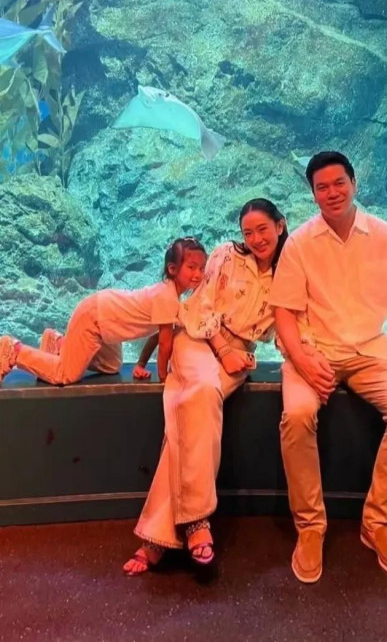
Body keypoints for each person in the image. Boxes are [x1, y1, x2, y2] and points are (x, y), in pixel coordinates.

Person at [270, 151, 387, 584]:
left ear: (354, 183)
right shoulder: (300, 242)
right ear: (313, 194)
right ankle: (310, 527)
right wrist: (302, 360)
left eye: (339, 183)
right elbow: (283, 313)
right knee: (297, 415)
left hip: (370, 354)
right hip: (313, 352)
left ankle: (377, 523)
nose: (332, 192)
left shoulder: (385, 236)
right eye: (322, 187)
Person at [123, 198, 288, 575]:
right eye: (248, 232)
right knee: (200, 393)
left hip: (240, 355)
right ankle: (197, 521)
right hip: (197, 339)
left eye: (263, 229)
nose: (256, 238)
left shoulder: (290, 271)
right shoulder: (226, 254)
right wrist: (223, 350)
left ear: (280, 226)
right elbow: (201, 307)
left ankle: (156, 538)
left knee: (185, 416)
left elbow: (287, 327)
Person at [0, 238, 207, 387]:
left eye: (201, 267)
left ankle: (60, 344)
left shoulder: (170, 295)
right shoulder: (167, 297)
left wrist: (140, 364)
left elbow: (158, 336)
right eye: (191, 267)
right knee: (65, 374)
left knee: (111, 366)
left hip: (108, 323)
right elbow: (165, 345)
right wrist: (164, 380)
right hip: (95, 317)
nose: (198, 274)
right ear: (172, 269)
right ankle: (15, 351)